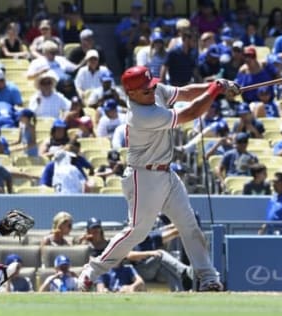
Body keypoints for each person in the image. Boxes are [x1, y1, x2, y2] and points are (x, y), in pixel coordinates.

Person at [78, 65, 241, 292]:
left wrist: (220, 86)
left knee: (189, 225)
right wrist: (214, 91)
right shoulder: (140, 115)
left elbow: (184, 93)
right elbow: (190, 113)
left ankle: (208, 278)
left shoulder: (152, 91)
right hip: (142, 176)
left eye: (151, 86)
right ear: (131, 94)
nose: (152, 91)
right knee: (137, 231)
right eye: (146, 90)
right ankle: (92, 271)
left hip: (166, 172)